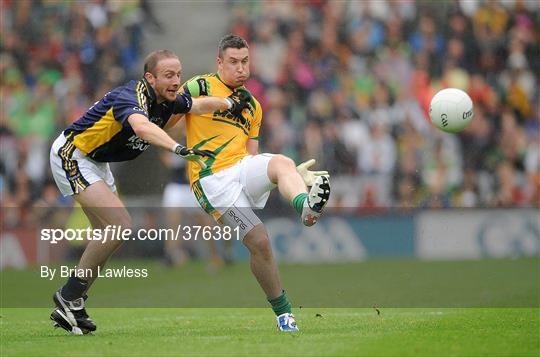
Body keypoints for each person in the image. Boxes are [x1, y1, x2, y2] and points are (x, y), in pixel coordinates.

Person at [49, 49, 250, 335]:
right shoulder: (131, 96)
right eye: (168, 75)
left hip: (96, 161)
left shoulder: (165, 99)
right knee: (119, 225)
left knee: (108, 236)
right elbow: (142, 127)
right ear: (149, 77)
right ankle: (69, 296)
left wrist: (228, 103)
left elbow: (196, 104)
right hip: (73, 154)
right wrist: (177, 148)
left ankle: (73, 302)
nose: (175, 81)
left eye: (178, 75)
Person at [179, 34, 330, 331]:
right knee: (260, 241)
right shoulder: (199, 85)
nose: (240, 68)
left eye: (245, 61)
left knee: (283, 162)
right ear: (219, 63)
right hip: (211, 181)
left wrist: (285, 177)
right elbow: (174, 112)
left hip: (241, 166)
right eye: (233, 62)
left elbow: (252, 156)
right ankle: (284, 313)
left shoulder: (253, 105)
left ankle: (306, 208)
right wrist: (218, 104)